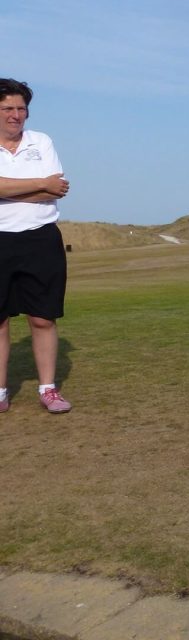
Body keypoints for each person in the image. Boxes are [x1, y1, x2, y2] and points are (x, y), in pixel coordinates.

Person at [0, 78, 72, 415]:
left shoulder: (40, 141)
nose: (16, 115)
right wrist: (39, 182)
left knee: (42, 318)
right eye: (7, 109)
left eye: (21, 109)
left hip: (40, 237)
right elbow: (44, 185)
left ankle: (48, 389)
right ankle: (0, 392)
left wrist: (13, 188)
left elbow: (55, 189)